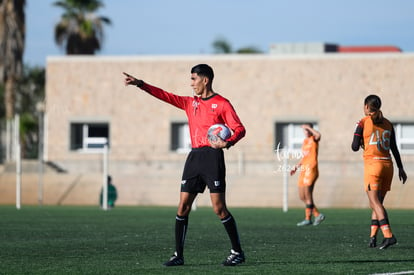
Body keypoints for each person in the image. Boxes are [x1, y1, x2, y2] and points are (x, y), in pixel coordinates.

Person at [123, 64, 246, 266]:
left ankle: (237, 252)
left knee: (219, 208)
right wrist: (140, 84)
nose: (191, 84)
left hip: (213, 158)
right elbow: (165, 95)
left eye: (193, 79)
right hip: (194, 158)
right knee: (182, 207)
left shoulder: (222, 103)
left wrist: (228, 142)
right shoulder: (190, 103)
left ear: (205, 80)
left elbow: (239, 128)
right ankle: (178, 255)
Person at [352, 94, 407, 249]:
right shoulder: (388, 123)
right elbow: (394, 148)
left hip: (373, 166)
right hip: (388, 166)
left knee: (374, 202)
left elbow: (354, 147)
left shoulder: (363, 122)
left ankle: (388, 236)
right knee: (377, 204)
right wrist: (401, 168)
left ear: (366, 107)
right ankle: (372, 237)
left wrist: (362, 140)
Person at [290, 124, 325, 226]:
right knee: (302, 196)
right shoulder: (305, 142)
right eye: (304, 130)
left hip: (311, 169)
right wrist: (296, 166)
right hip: (304, 169)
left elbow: (319, 135)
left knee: (308, 194)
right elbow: (304, 157)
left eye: (307, 130)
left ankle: (308, 218)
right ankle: (317, 214)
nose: (305, 132)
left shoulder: (314, 139)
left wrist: (309, 128)